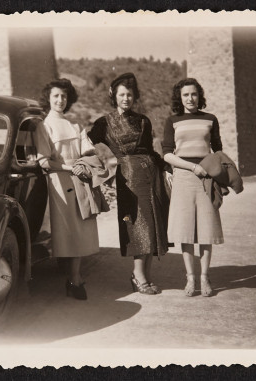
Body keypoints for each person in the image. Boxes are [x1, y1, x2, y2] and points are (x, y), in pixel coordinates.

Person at [88, 73, 168, 295]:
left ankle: (146, 276)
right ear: (114, 96)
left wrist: (166, 168)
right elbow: (86, 144)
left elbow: (150, 150)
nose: (126, 98)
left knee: (152, 225)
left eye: (130, 94)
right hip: (129, 178)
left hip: (152, 175)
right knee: (138, 225)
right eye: (122, 94)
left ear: (135, 96)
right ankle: (137, 276)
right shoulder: (105, 122)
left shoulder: (144, 120)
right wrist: (95, 166)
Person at [36, 78, 100, 300]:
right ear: (49, 98)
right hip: (58, 183)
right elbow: (44, 161)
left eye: (64, 96)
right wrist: (68, 167)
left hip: (78, 179)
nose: (60, 100)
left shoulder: (75, 126)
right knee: (67, 231)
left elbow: (88, 150)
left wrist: (84, 163)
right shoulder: (44, 126)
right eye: (55, 96)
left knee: (80, 228)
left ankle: (73, 277)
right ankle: (74, 279)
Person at [162, 78, 224, 297]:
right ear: (180, 98)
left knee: (206, 231)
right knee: (185, 230)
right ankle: (190, 280)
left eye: (194, 94)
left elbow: (218, 152)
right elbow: (167, 153)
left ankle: (205, 279)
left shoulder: (210, 119)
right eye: (186, 94)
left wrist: (219, 176)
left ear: (200, 96)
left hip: (206, 178)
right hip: (183, 177)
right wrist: (192, 167)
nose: (190, 98)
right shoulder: (172, 121)